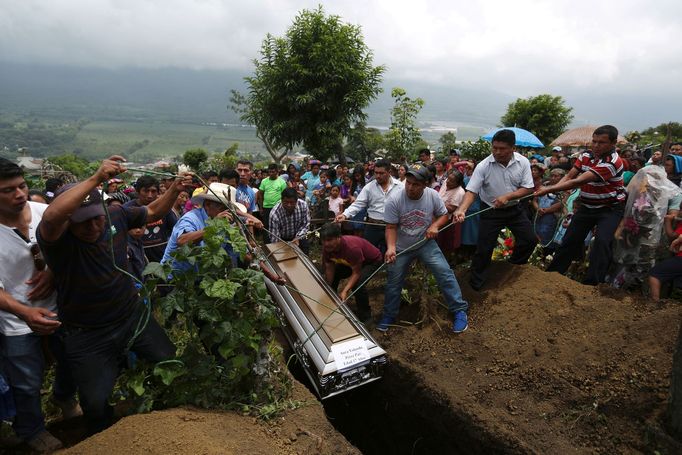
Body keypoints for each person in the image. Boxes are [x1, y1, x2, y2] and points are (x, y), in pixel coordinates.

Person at [37, 155, 190, 434]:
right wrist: (96, 178)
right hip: (87, 332)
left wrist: (175, 189)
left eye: (95, 218)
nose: (92, 226)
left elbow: (153, 211)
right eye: (81, 221)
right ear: (68, 220)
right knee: (95, 405)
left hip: (130, 315)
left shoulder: (116, 214)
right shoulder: (56, 240)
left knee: (169, 360)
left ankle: (168, 421)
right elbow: (51, 216)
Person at [0, 158, 78, 452]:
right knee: (26, 380)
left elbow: (71, 246)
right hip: (15, 319)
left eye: (21, 186)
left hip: (60, 307)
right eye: (8, 190)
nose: (19, 194)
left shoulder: (45, 213)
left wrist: (53, 271)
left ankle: (64, 397)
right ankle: (32, 430)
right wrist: (26, 313)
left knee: (72, 360)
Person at [379, 166, 469, 333]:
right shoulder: (394, 199)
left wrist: (435, 226)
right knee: (394, 281)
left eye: (416, 184)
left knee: (444, 273)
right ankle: (389, 315)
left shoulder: (432, 195)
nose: (410, 188)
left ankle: (459, 310)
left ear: (425, 184)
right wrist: (391, 248)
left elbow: (443, 214)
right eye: (408, 183)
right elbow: (390, 227)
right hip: (401, 247)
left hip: (425, 243)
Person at [537, 125, 626, 285]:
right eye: (594, 141)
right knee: (570, 239)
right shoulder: (586, 155)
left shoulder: (613, 162)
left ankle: (592, 284)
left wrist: (549, 188)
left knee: (601, 242)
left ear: (613, 144)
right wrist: (554, 188)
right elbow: (571, 175)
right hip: (587, 205)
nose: (596, 145)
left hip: (609, 208)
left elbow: (579, 180)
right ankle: (552, 276)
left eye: (602, 142)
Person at [454, 129, 537, 291]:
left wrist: (508, 197)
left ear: (513, 148)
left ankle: (513, 267)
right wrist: (462, 210)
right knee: (484, 248)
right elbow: (472, 191)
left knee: (530, 240)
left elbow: (528, 189)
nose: (497, 152)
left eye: (502, 148)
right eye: (494, 148)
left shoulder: (523, 162)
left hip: (515, 209)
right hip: (490, 212)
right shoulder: (484, 166)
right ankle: (476, 285)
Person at [162, 182, 262, 272]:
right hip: (175, 279)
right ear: (207, 205)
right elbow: (182, 241)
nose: (226, 213)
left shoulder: (224, 224)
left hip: (198, 278)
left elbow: (240, 251)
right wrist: (215, 225)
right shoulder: (191, 218)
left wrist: (270, 275)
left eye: (228, 209)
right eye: (222, 208)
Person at [336, 160, 403, 254]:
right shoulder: (369, 187)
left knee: (391, 253)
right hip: (373, 226)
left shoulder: (400, 187)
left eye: (381, 173)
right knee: (369, 253)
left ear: (389, 172)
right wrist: (345, 215)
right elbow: (358, 204)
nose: (378, 176)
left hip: (393, 227)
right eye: (376, 173)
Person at [321, 223, 382, 323]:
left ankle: (366, 316)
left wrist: (345, 291)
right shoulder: (327, 248)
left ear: (338, 238)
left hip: (370, 261)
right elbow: (329, 267)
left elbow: (356, 273)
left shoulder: (351, 248)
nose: (326, 243)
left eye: (329, 240)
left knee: (358, 286)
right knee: (335, 275)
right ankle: (331, 300)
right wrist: (328, 285)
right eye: (324, 240)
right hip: (349, 262)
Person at [124, 176, 177, 263]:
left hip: (162, 257)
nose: (150, 195)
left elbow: (175, 229)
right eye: (146, 191)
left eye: (153, 191)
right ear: (138, 192)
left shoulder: (164, 208)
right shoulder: (127, 209)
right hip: (137, 257)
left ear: (158, 192)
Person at [268, 188, 311, 254]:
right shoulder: (274, 213)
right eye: (286, 202)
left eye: (292, 202)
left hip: (299, 236)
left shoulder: (303, 205)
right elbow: (274, 237)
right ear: (281, 200)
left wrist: (298, 237)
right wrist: (282, 246)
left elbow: (305, 224)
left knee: (304, 256)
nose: (289, 205)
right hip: (282, 239)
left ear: (296, 200)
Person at [437, 170, 465, 257]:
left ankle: (447, 259)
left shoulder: (460, 192)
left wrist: (437, 202)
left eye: (451, 181)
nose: (448, 181)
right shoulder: (446, 182)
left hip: (449, 220)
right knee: (438, 240)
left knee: (447, 242)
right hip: (438, 217)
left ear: (458, 183)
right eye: (448, 179)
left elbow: (451, 209)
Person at [258, 164, 287, 243]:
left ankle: (279, 242)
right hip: (266, 207)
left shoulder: (282, 182)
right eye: (270, 172)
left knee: (279, 225)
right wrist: (260, 207)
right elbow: (260, 194)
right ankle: (267, 244)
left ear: (277, 172)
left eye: (273, 172)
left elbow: (284, 196)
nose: (271, 173)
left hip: (278, 208)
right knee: (266, 226)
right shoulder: (264, 181)